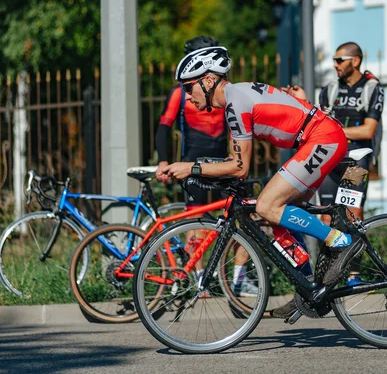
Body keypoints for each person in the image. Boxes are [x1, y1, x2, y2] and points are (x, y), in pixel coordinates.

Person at [164, 46, 365, 319]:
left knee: (266, 205)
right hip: (317, 138)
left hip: (322, 138)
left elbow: (239, 167)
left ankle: (340, 241)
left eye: (189, 88)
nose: (187, 96)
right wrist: (201, 169)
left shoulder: (234, 104)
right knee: (277, 214)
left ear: (208, 81)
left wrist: (192, 167)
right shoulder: (235, 97)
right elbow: (234, 159)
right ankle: (307, 287)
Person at [154, 36, 255, 297]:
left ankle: (238, 279)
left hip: (223, 159)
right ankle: (201, 280)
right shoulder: (180, 93)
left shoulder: (224, 92)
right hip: (193, 159)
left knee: (241, 217)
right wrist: (164, 161)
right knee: (195, 223)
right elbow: (164, 127)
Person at [284, 42, 384, 286]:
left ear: (356, 61)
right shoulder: (329, 89)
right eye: (334, 60)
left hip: (356, 161)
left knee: (352, 215)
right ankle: (328, 275)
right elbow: (317, 122)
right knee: (327, 218)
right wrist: (302, 101)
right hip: (330, 158)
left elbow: (368, 129)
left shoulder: (372, 88)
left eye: (340, 60)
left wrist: (336, 132)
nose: (335, 64)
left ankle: (354, 275)